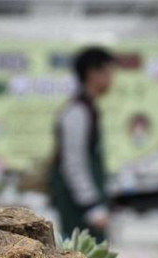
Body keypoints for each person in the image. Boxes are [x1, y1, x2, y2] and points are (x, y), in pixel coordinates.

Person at [49, 46, 116, 237]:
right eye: (109, 71)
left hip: (83, 204)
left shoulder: (88, 108)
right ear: (92, 73)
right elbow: (73, 163)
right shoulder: (77, 112)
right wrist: (91, 206)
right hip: (78, 208)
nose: (112, 79)